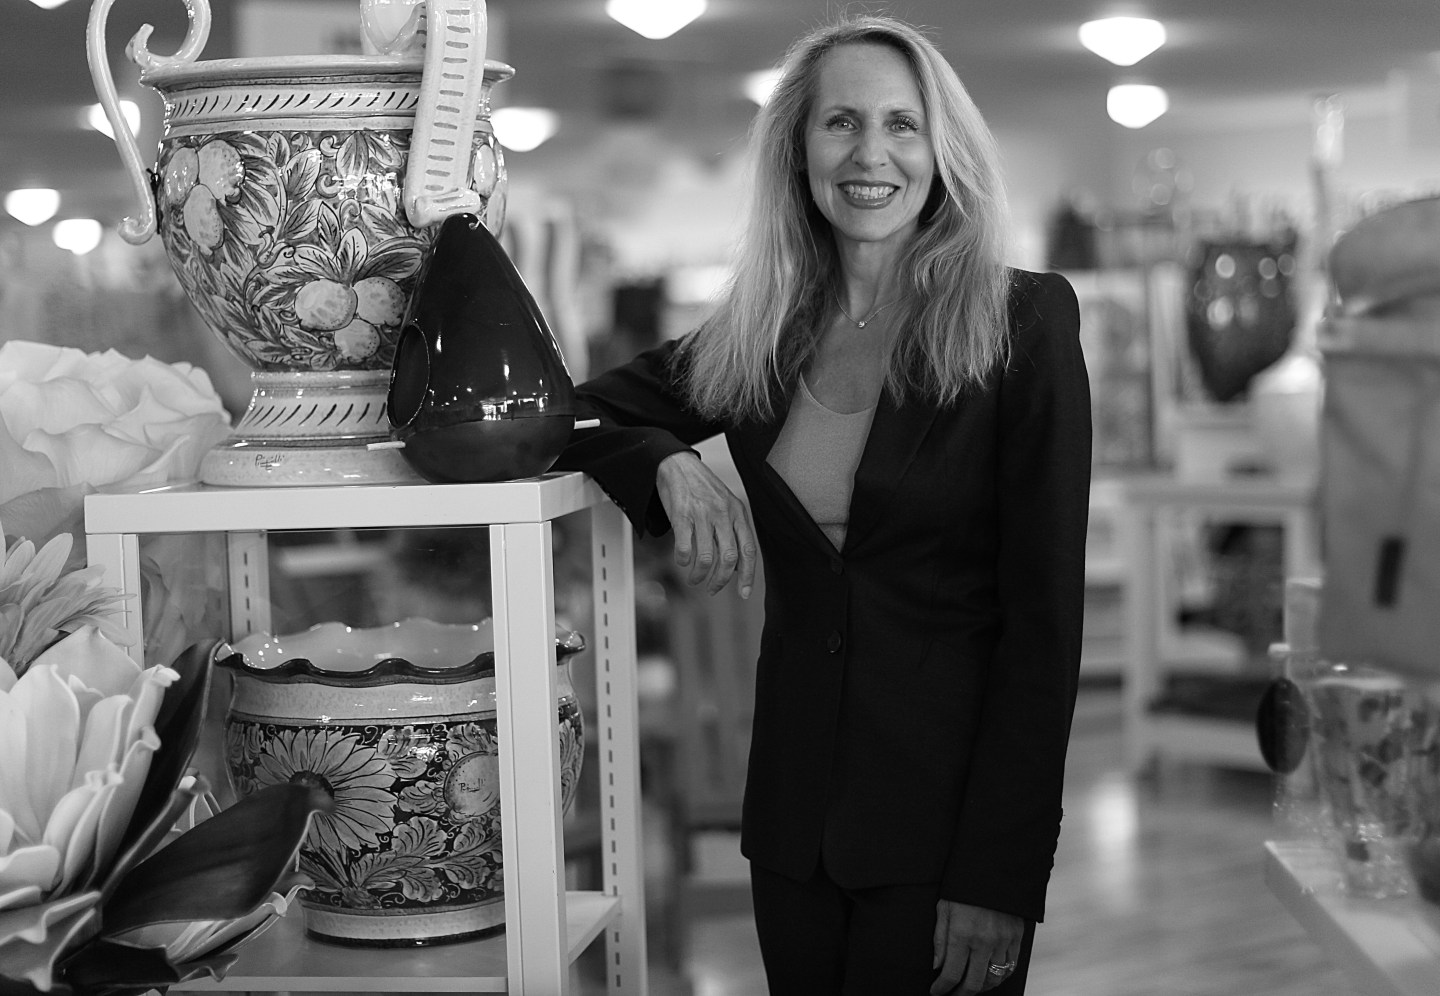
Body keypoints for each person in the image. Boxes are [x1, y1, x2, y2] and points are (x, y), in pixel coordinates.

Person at [556, 13, 1090, 995]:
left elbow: (1044, 627)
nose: (870, 154)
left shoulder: (1023, 322)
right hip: (793, 829)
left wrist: (999, 873)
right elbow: (570, 413)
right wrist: (666, 462)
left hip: (945, 835)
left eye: (901, 124)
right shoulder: (761, 335)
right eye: (841, 122)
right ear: (798, 149)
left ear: (942, 149)